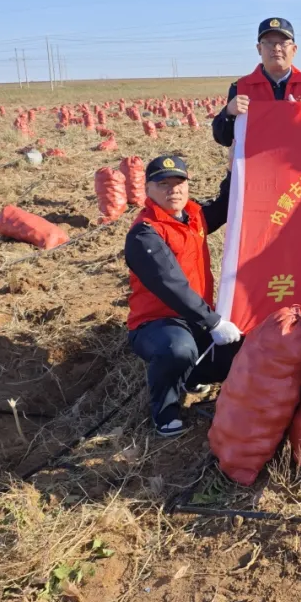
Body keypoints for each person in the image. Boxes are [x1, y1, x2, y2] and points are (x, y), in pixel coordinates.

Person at [124, 155, 244, 436]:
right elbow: (170, 285)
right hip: (156, 323)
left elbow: (225, 206)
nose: (173, 190)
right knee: (177, 349)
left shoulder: (193, 216)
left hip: (196, 318)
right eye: (163, 184)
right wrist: (214, 322)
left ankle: (191, 375)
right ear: (148, 189)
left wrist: (234, 165)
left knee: (239, 350)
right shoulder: (145, 234)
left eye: (179, 183)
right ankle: (165, 411)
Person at [212, 17, 301, 147]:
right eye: (268, 43)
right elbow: (224, 139)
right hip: (256, 159)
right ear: (259, 49)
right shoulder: (241, 88)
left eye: (283, 43)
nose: (276, 48)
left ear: (294, 49)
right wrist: (229, 112)